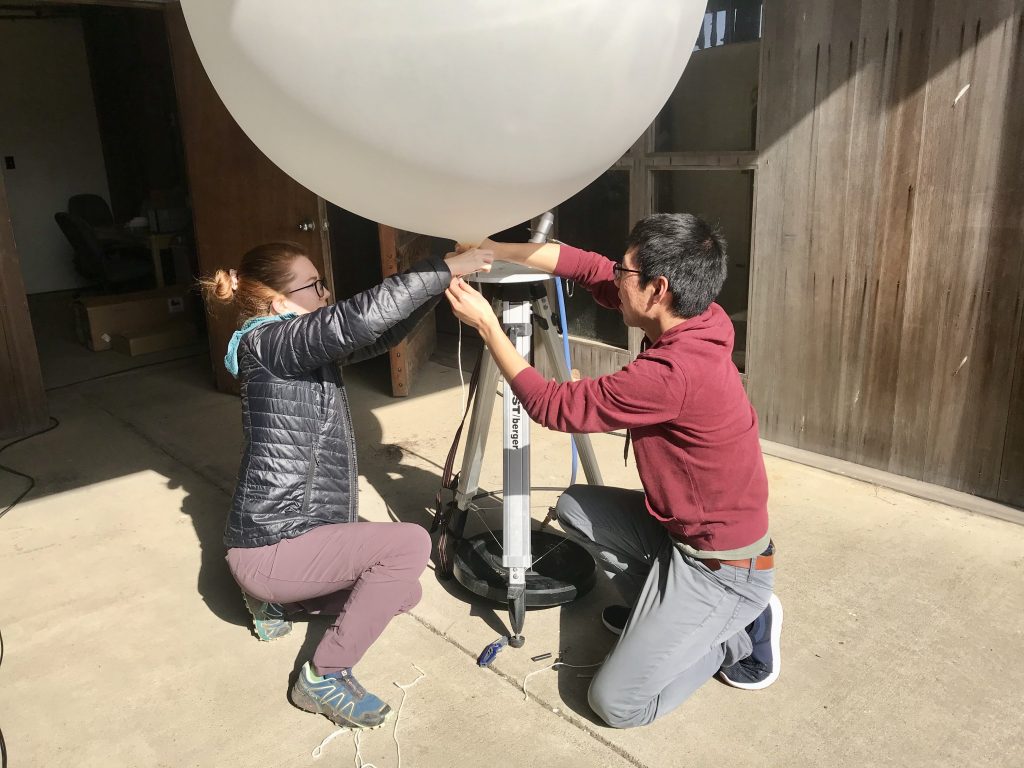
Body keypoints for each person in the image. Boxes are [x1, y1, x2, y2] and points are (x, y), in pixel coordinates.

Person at [445, 213, 781, 729]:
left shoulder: (673, 373)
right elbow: (586, 267)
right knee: (577, 507)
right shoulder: (702, 316)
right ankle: (665, 622)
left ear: (658, 288)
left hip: (724, 570)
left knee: (616, 704)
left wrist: (489, 325)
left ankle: (731, 639)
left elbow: (554, 407)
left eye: (626, 272)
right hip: (682, 537)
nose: (615, 277)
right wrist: (495, 246)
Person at [202, 241, 491, 729]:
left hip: (295, 537)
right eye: (313, 285)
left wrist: (436, 289)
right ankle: (322, 676)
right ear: (279, 303)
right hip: (271, 546)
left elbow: (372, 336)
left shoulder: (295, 346)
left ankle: (276, 600)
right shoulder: (268, 344)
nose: (326, 291)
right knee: (408, 546)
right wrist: (441, 267)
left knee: (402, 594)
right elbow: (353, 320)